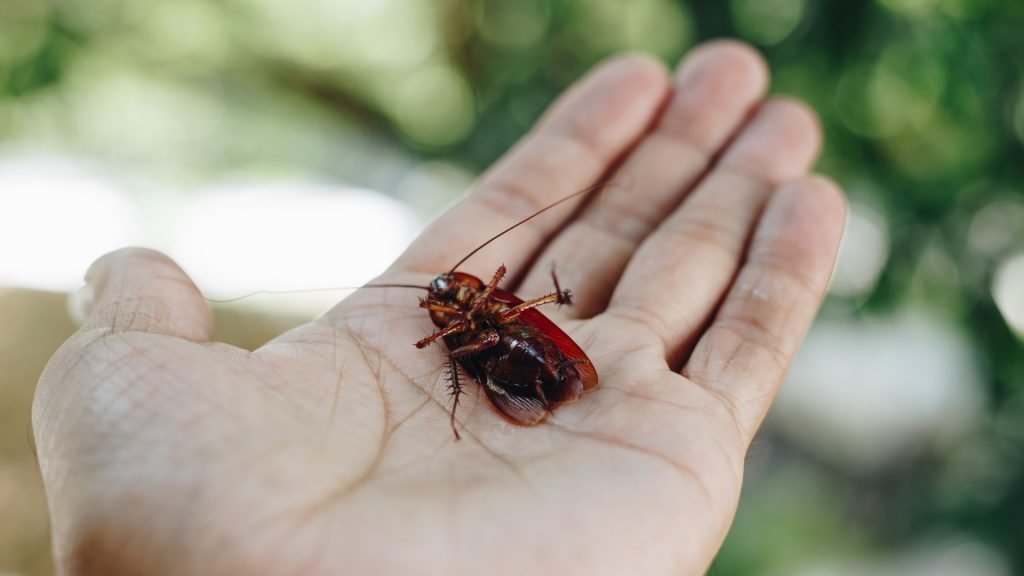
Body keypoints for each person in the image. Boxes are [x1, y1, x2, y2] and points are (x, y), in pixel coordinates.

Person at [33, 40, 845, 575]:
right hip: (503, 365)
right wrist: (474, 347)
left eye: (456, 290)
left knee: (517, 328)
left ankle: (551, 364)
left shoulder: (482, 302)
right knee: (490, 346)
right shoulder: (449, 326)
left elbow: (484, 317)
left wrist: (508, 320)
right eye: (446, 296)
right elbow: (455, 346)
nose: (449, 297)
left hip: (532, 343)